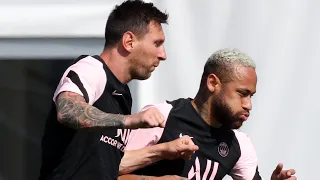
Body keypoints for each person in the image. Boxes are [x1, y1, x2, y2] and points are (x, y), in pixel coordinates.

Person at [38, 1, 197, 180]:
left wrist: (163, 153)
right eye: (157, 43)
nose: (163, 55)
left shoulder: (123, 95)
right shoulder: (91, 68)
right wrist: (130, 120)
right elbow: (67, 111)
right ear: (129, 42)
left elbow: (112, 164)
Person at [118, 48, 297, 180]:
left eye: (251, 96)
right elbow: (106, 172)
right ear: (213, 83)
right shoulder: (162, 117)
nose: (248, 105)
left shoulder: (240, 144)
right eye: (242, 94)